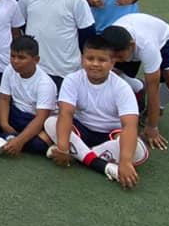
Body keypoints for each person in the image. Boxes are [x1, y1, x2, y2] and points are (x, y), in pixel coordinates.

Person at [44, 35, 149, 188]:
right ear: (82, 59)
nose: (95, 64)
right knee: (51, 122)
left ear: (112, 62)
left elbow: (129, 126)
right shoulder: (72, 79)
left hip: (110, 134)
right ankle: (104, 166)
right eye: (90, 58)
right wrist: (62, 146)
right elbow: (66, 113)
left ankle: (81, 154)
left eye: (102, 60)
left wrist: (125, 162)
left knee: (138, 150)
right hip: (81, 130)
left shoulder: (122, 88)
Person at [103, 13, 169, 151]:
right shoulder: (108, 42)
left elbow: (153, 89)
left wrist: (152, 127)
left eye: (119, 56)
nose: (116, 60)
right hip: (130, 41)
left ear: (132, 45)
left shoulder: (147, 46)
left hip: (162, 41)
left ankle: (157, 108)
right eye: (112, 57)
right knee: (105, 75)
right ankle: (138, 87)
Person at [18, 0, 95, 89]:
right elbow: (22, 25)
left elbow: (87, 34)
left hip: (65, 71)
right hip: (35, 69)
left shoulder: (76, 0)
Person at [0, 35, 55, 160]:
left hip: (32, 120)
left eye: (21, 57)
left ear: (36, 60)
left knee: (41, 143)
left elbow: (41, 118)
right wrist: (4, 124)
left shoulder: (45, 83)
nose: (15, 61)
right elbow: (4, 99)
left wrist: (20, 141)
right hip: (14, 114)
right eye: (12, 56)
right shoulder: (9, 70)